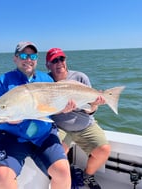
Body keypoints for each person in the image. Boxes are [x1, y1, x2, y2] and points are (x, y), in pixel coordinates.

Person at [0, 42, 72, 189]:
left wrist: (63, 109)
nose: (28, 59)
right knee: (2, 175)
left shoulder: (46, 80)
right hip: (13, 137)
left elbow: (50, 109)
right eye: (24, 55)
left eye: (32, 56)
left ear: (37, 59)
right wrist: (10, 122)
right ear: (15, 58)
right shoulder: (3, 81)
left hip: (44, 135)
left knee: (63, 171)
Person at [45, 48, 111, 189]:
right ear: (48, 65)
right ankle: (66, 177)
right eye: (54, 60)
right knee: (58, 156)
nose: (59, 63)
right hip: (60, 127)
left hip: (85, 124)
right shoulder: (45, 81)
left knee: (104, 149)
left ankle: (87, 176)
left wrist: (94, 104)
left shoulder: (80, 77)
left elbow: (91, 110)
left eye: (62, 59)